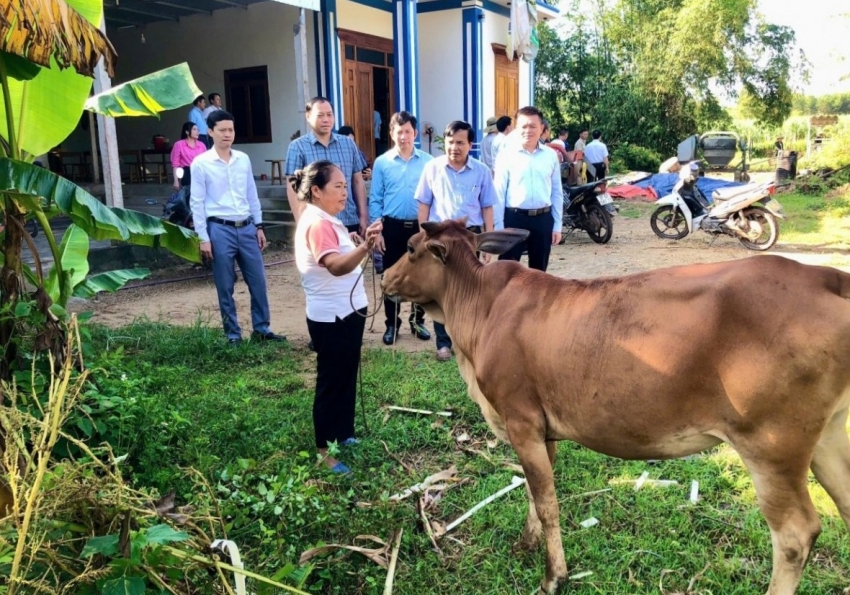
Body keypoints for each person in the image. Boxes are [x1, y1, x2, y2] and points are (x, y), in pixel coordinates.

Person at [292, 160, 383, 474]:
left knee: (345, 375)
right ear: (317, 191)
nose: (345, 192)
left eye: (346, 186)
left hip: (346, 312)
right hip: (333, 317)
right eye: (338, 186)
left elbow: (342, 258)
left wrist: (359, 244)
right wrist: (365, 248)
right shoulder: (318, 223)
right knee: (331, 382)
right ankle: (323, 449)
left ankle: (343, 434)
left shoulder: (327, 220)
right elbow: (334, 265)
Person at [190, 110, 287, 345]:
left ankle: (262, 330)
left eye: (231, 130)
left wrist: (259, 225)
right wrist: (203, 238)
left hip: (246, 227)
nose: (227, 134)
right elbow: (197, 202)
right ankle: (233, 335)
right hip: (219, 229)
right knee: (225, 285)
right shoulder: (200, 163)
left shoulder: (242, 159)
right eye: (222, 130)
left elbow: (252, 195)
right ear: (210, 132)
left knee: (258, 281)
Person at [416, 120, 497, 361]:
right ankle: (443, 343)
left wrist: (488, 241)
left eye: (460, 142)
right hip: (440, 237)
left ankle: (467, 340)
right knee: (442, 289)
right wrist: (423, 237)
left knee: (471, 288)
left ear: (470, 144)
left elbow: (487, 207)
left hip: (469, 236)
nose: (455, 147)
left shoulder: (481, 171)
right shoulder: (432, 168)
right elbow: (424, 204)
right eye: (451, 142)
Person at [369, 111, 433, 346]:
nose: (404, 136)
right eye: (399, 132)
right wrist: (377, 232)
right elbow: (375, 199)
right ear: (391, 133)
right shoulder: (382, 163)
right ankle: (392, 324)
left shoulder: (428, 162)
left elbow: (432, 197)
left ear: (415, 133)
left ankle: (418, 322)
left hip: (419, 229)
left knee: (421, 276)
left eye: (408, 131)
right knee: (391, 276)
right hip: (392, 228)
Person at [285, 97, 369, 235]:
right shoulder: (298, 147)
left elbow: (358, 181)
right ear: (308, 116)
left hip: (349, 219)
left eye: (329, 115)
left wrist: (363, 216)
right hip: (317, 224)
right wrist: (301, 223)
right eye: (320, 115)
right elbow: (292, 188)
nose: (326, 119)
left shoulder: (348, 144)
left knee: (354, 256)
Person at [494, 105, 563, 273]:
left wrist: (557, 225)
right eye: (523, 126)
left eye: (533, 126)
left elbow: (556, 192)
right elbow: (498, 193)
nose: (528, 130)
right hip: (514, 219)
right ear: (517, 129)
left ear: (542, 129)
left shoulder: (550, 155)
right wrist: (499, 227)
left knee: (539, 273)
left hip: (542, 219)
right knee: (506, 272)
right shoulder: (506, 155)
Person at [170, 121, 207, 190]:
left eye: (198, 130)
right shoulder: (179, 145)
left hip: (200, 172)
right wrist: (176, 180)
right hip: (186, 173)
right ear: (187, 132)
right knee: (188, 196)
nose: (197, 132)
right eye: (194, 129)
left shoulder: (202, 145)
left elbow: (207, 162)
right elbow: (175, 164)